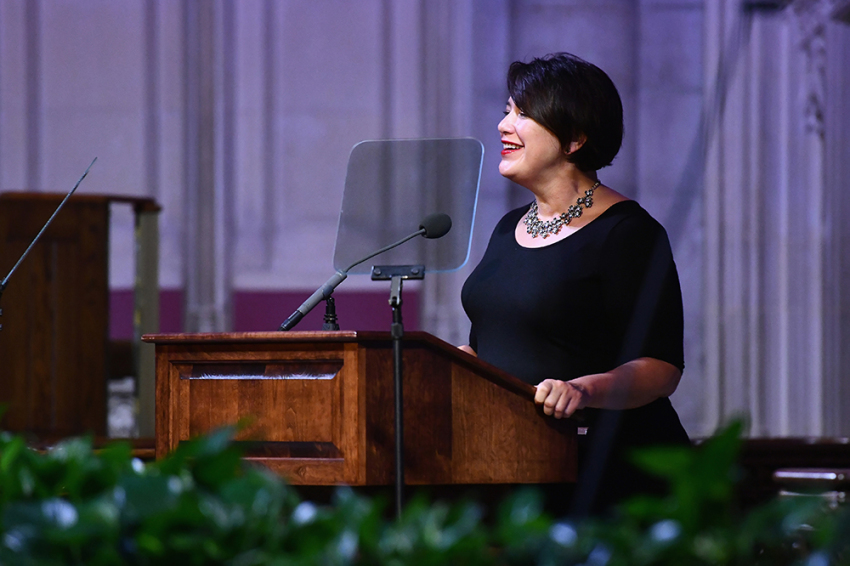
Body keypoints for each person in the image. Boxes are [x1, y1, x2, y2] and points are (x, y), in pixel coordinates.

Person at [459, 52, 689, 514]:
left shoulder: (629, 232)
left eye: (523, 114)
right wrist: (458, 364)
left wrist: (582, 390)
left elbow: (661, 367)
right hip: (519, 467)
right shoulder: (507, 228)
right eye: (507, 110)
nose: (504, 125)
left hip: (612, 473)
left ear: (575, 138)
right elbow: (500, 345)